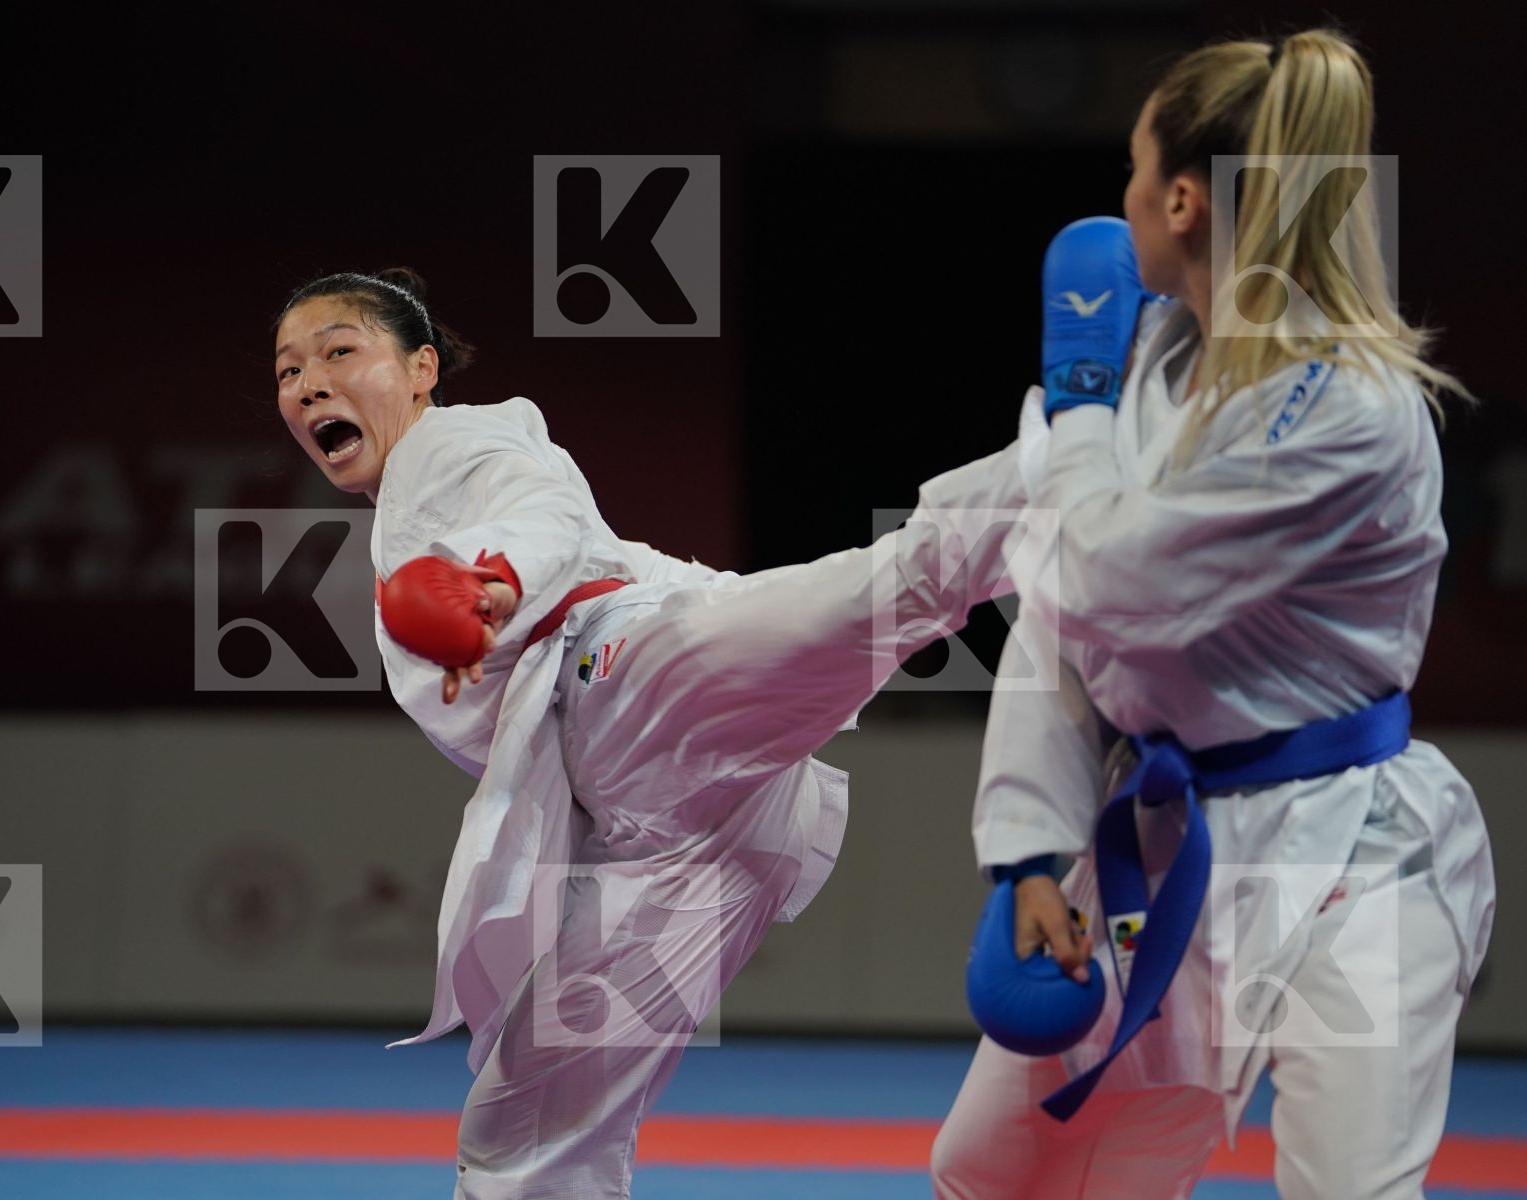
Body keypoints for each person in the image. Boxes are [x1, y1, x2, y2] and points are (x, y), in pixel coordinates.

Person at [272, 267, 1032, 1197]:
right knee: (526, 1136)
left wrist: (493, 577)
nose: (307, 382)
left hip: (632, 684)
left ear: (422, 367)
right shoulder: (406, 514)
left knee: (897, 584)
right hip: (665, 840)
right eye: (286, 371)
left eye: (339, 351)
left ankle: (1067, 458)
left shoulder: (467, 440)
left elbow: (538, 510)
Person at [930, 29, 1496, 1199]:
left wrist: (1071, 414)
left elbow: (1105, 584)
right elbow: (1059, 616)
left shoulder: (1347, 406)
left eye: (1135, 169)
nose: (1123, 198)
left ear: (1181, 198)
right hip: (1164, 837)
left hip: (1354, 855)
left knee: (1350, 1192)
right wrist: (1031, 850)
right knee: (998, 1175)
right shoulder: (1156, 363)